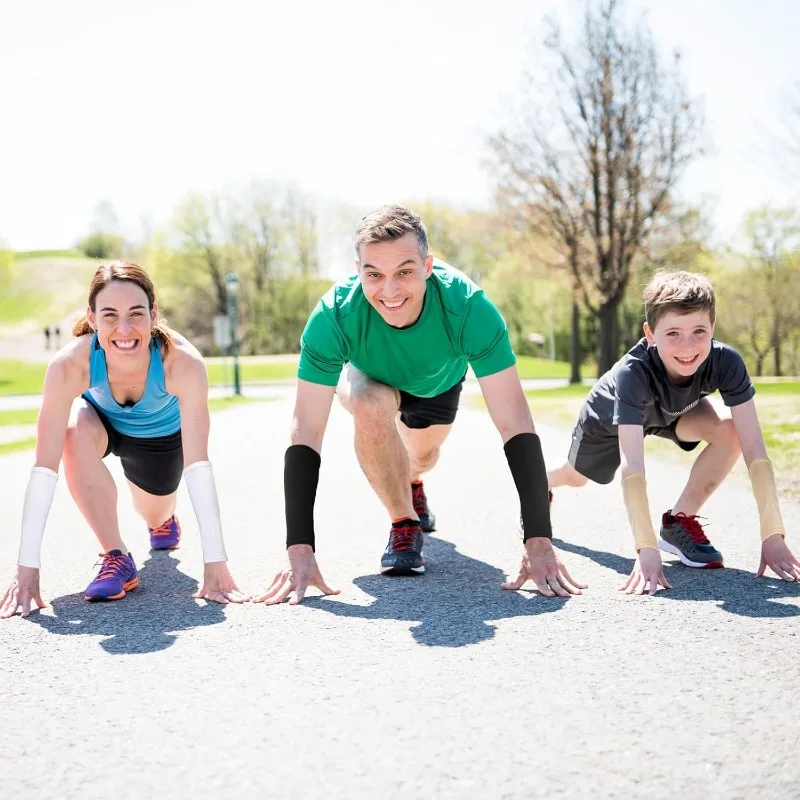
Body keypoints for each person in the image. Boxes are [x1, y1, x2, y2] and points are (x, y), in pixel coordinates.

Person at [253, 204, 585, 606]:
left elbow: (515, 421)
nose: (389, 291)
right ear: (357, 269)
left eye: (405, 272)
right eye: (374, 274)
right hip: (371, 377)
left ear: (427, 266)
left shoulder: (468, 308)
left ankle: (412, 479)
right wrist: (299, 548)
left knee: (422, 457)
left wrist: (539, 540)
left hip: (437, 384)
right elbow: (305, 428)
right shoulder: (334, 315)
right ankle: (403, 521)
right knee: (366, 401)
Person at [1, 260, 248, 618]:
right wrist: (26, 567)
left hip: (158, 440)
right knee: (72, 434)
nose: (124, 328)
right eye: (110, 315)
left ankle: (162, 520)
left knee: (154, 509)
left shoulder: (182, 363)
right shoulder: (70, 365)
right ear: (91, 317)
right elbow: (44, 466)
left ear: (153, 314)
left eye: (136, 314)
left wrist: (215, 562)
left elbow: (198, 465)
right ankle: (115, 555)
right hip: (98, 422)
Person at [545, 269, 800, 595]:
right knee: (576, 477)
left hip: (673, 411)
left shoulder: (727, 361)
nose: (688, 346)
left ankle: (679, 523)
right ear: (650, 333)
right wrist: (645, 547)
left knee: (732, 431)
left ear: (713, 327)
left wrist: (772, 534)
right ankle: (542, 482)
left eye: (699, 331)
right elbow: (633, 466)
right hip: (609, 419)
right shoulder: (632, 374)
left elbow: (756, 451)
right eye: (673, 334)